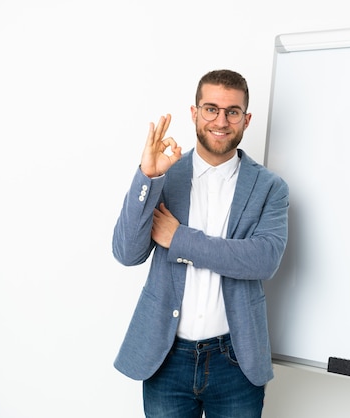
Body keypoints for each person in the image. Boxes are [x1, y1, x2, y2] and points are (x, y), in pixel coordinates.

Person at [112, 69, 289, 418]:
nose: (220, 120)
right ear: (194, 113)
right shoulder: (166, 175)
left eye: (232, 111)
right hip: (166, 357)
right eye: (211, 109)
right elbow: (127, 253)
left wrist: (178, 238)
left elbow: (263, 259)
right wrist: (148, 176)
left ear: (246, 119)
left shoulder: (270, 187)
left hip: (236, 359)